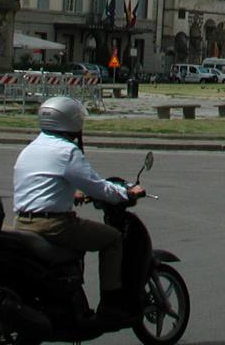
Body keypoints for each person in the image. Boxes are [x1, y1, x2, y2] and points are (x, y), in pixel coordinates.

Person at [13, 96, 145, 328]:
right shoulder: (67, 152)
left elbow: (41, 184)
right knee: (113, 239)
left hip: (22, 223)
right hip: (53, 226)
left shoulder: (31, 148)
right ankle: (111, 305)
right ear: (72, 122)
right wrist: (127, 193)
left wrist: (70, 194)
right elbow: (98, 186)